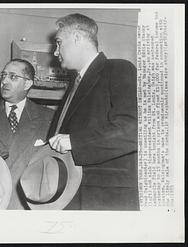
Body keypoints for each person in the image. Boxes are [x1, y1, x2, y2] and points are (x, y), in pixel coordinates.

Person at [48, 13, 139, 210]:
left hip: (104, 198)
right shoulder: (75, 84)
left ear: (77, 38)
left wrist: (73, 141)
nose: (56, 52)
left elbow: (132, 131)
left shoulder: (119, 69)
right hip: (71, 194)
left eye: (58, 43)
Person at [0, 59, 54, 209]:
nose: (4, 81)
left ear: (27, 84)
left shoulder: (49, 118)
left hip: (30, 205)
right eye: (3, 75)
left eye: (12, 77)